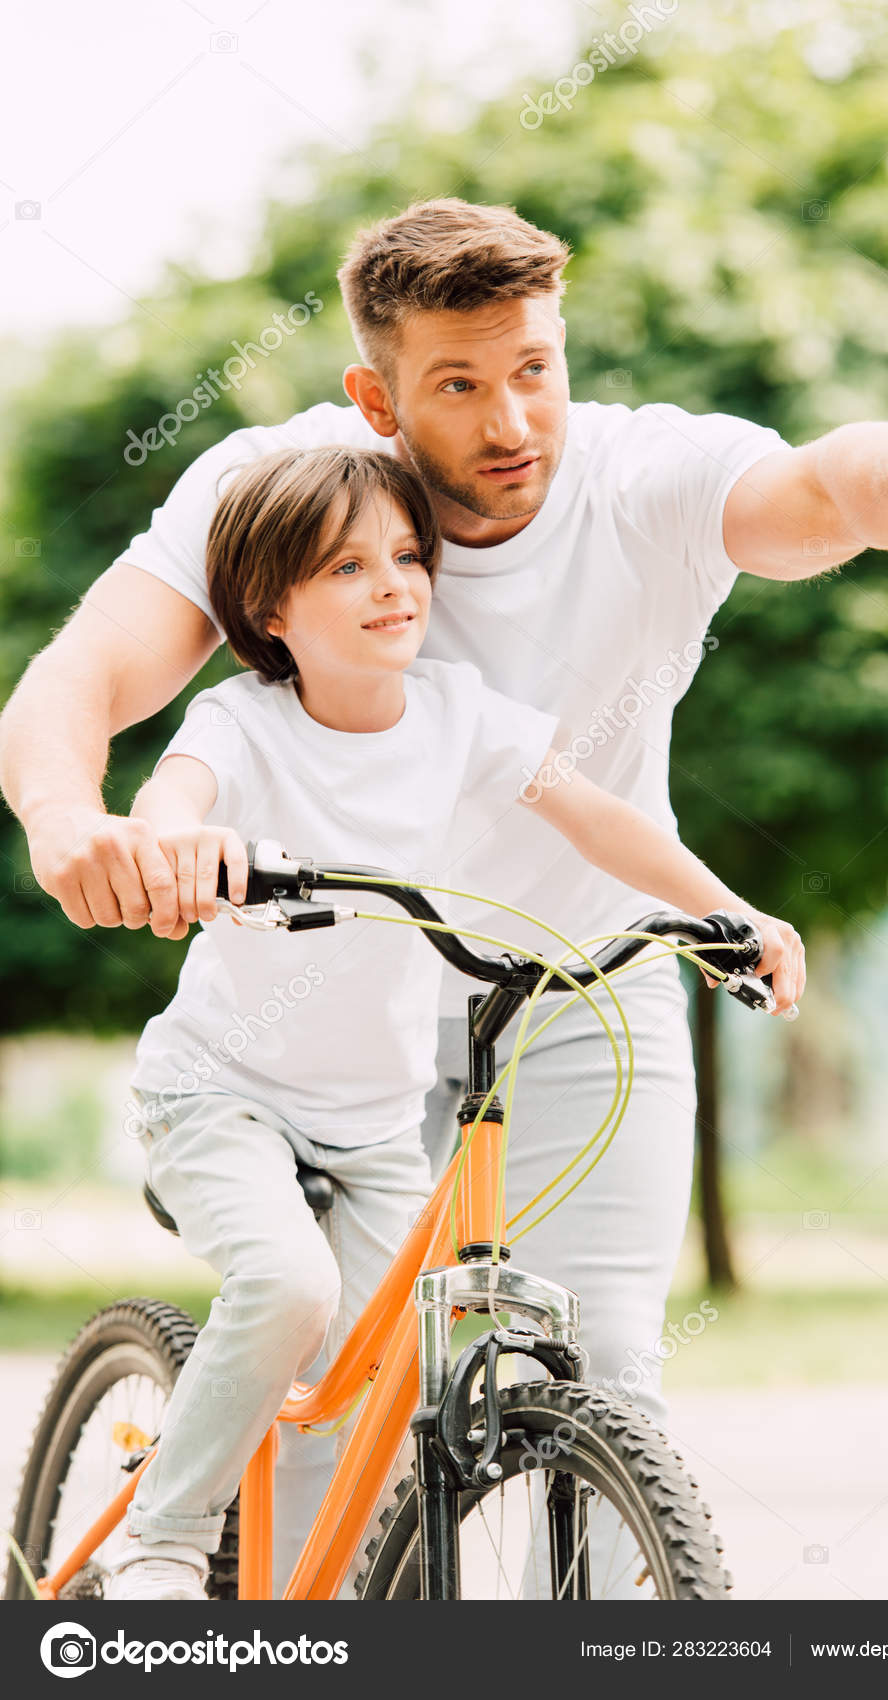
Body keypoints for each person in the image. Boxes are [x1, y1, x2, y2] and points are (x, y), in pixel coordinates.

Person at [0, 198, 888, 1591]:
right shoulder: (292, 488)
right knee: (326, 1405)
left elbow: (809, 492)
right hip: (330, 1010)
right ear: (376, 397)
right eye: (459, 386)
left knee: (601, 1375)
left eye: (534, 368)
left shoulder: (641, 472)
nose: (511, 423)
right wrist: (70, 818)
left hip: (575, 984)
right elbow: (88, 676)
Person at [103, 440, 801, 1599]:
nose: (396, 584)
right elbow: (172, 797)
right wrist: (179, 845)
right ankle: (164, 1539)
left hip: (371, 1125)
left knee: (405, 1382)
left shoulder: (457, 710)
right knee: (290, 1288)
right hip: (222, 1095)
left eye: (407, 556)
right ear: (272, 606)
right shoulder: (243, 723)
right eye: (347, 568)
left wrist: (728, 912)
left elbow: (596, 813)